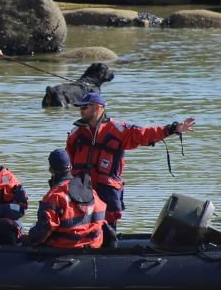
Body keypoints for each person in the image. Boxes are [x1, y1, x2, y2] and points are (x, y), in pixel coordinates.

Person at [66, 92, 195, 227]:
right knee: (79, 225)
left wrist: (173, 129)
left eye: (84, 107)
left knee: (108, 229)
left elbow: (144, 134)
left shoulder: (118, 130)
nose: (81, 111)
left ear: (98, 107)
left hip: (106, 191)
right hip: (81, 191)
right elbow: (66, 163)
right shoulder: (76, 134)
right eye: (80, 108)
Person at [28, 148, 107, 248]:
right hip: (93, 246)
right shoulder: (91, 191)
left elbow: (42, 231)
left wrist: (30, 237)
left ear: (51, 170)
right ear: (70, 167)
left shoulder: (55, 196)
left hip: (67, 248)